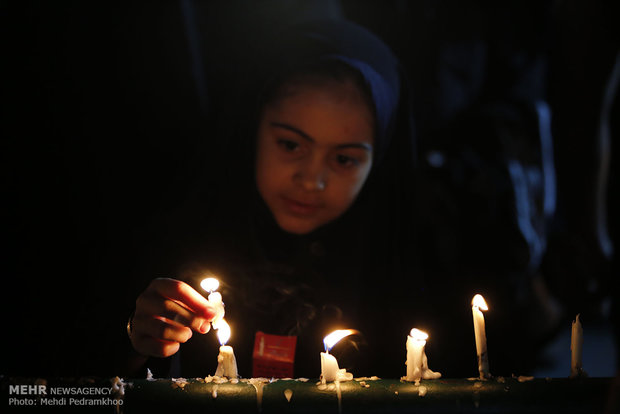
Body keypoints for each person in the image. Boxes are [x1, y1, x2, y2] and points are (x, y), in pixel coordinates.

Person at [122, 18, 417, 379]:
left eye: (344, 159)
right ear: (252, 129)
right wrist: (137, 341)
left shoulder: (404, 275)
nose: (311, 180)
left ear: (379, 158)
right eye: (291, 144)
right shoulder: (173, 246)